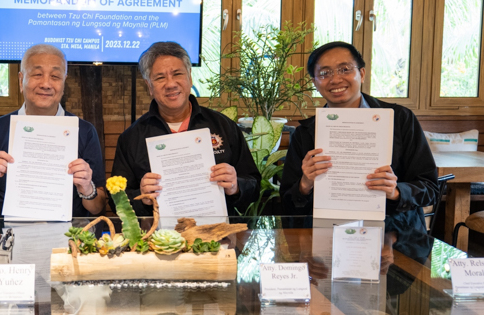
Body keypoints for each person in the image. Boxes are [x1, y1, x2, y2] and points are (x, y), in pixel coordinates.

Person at [280, 41, 439, 231]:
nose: (336, 79)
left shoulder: (400, 120)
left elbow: (429, 188)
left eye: (344, 69)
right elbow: (287, 202)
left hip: (394, 234)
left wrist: (396, 192)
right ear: (315, 82)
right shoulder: (305, 133)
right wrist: (305, 184)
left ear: (361, 74)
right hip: (326, 234)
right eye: (324, 73)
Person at [112, 41, 261, 215]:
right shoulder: (131, 138)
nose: (170, 84)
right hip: (158, 238)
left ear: (189, 77)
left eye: (177, 74)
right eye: (160, 78)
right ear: (149, 86)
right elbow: (116, 201)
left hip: (216, 235)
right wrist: (141, 197)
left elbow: (254, 186)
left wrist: (236, 186)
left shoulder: (223, 126)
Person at [0, 44, 107, 217]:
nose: (46, 84)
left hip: (68, 235)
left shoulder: (84, 131)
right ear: (21, 80)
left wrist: (87, 188)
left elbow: (98, 207)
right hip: (9, 233)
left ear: (63, 83)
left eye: (55, 76)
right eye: (37, 74)